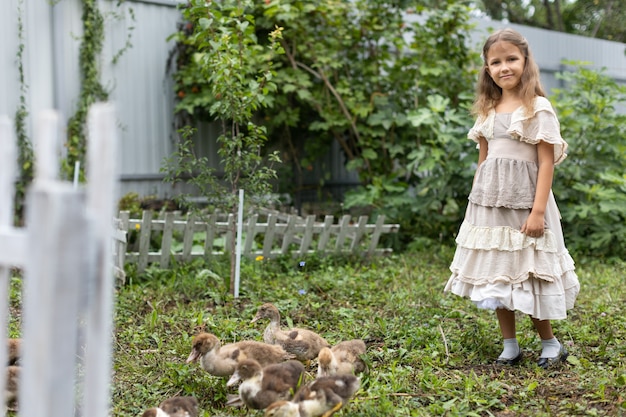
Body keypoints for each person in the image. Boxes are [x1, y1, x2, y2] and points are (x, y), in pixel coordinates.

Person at [444, 28, 580, 368]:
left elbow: (546, 161)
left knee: (528, 272)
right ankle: (510, 345)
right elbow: (484, 159)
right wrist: (475, 205)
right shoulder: (488, 109)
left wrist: (537, 212)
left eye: (511, 59)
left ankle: (550, 343)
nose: (504, 67)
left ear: (525, 62)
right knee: (499, 273)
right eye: (496, 62)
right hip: (490, 205)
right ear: (487, 69)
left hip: (526, 205)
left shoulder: (537, 107)